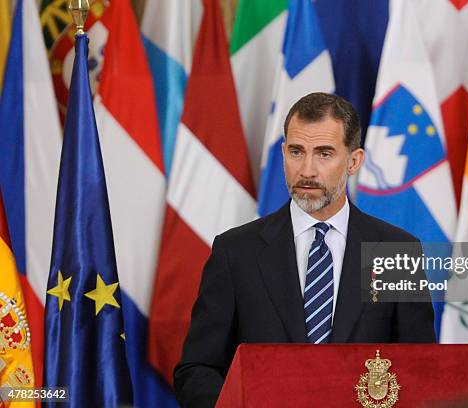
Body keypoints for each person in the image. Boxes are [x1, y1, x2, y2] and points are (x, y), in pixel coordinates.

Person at [174, 92, 435, 407]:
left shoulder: (395, 251)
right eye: (297, 152)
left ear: (354, 161)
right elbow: (197, 369)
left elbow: (420, 371)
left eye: (324, 153)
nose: (307, 170)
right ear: (283, 153)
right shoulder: (235, 252)